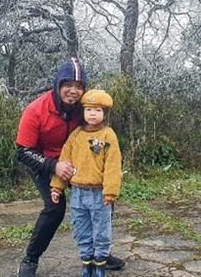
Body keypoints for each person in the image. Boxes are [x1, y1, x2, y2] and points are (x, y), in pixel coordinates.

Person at [15, 58, 125, 277]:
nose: (73, 91)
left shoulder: (84, 108)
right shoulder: (36, 110)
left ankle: (100, 255)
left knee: (103, 202)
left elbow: (101, 127)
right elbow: (22, 151)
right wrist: (53, 166)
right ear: (57, 85)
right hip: (43, 162)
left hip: (79, 160)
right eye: (67, 85)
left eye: (78, 86)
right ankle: (30, 259)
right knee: (54, 209)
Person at [50, 89, 122, 277]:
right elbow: (65, 161)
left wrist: (111, 192)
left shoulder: (108, 135)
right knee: (81, 229)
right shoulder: (75, 136)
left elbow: (113, 166)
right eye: (89, 109)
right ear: (83, 112)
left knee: (101, 232)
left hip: (99, 194)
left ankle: (100, 266)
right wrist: (57, 186)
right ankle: (86, 264)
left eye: (98, 110)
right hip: (78, 194)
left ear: (104, 114)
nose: (93, 114)